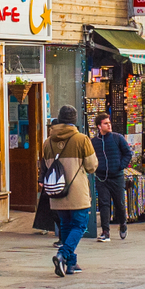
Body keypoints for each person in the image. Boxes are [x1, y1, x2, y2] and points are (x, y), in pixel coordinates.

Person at [40, 105, 97, 277]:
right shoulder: (82, 139)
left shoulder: (47, 142)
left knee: (65, 224)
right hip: (77, 191)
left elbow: (44, 165)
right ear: (74, 120)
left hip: (56, 191)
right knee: (80, 225)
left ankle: (71, 264)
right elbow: (91, 166)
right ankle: (63, 254)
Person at [91, 113, 132, 242]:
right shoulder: (94, 142)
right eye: (105, 123)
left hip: (116, 176)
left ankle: (123, 223)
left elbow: (128, 153)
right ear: (99, 126)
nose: (109, 125)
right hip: (101, 177)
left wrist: (121, 166)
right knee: (104, 203)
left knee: (119, 203)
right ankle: (105, 231)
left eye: (109, 123)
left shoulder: (117, 138)